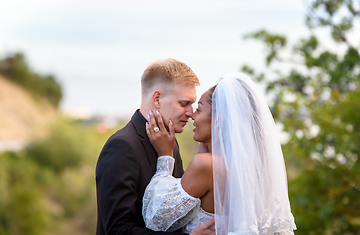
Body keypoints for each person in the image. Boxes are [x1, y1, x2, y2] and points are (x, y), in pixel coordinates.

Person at [143, 73, 297, 234]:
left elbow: (156, 219)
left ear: (217, 120)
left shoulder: (205, 165)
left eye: (199, 109)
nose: (192, 115)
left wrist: (165, 156)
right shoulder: (255, 169)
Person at [95, 58, 215, 235]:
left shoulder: (169, 143)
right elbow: (118, 229)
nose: (190, 113)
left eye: (193, 105)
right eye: (184, 104)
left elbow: (178, 215)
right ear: (157, 99)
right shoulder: (121, 146)